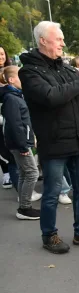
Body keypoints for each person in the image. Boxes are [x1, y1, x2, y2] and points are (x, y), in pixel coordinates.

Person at [19, 21, 79, 254]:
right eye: (58, 39)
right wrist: (78, 85)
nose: (62, 43)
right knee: (52, 193)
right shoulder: (29, 71)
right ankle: (49, 235)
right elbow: (49, 96)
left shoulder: (67, 68)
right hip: (54, 140)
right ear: (42, 40)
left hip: (78, 137)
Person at [0, 66, 40, 220]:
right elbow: (15, 124)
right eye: (20, 77)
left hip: (21, 141)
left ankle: (24, 206)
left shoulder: (15, 95)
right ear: (11, 80)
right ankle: (25, 207)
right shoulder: (11, 98)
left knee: (25, 172)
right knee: (32, 173)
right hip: (19, 143)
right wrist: (23, 144)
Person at [0, 44, 16, 190]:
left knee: (13, 144)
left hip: (12, 114)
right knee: (2, 147)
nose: (1, 57)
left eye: (2, 54)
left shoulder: (11, 71)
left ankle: (17, 175)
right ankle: (6, 173)